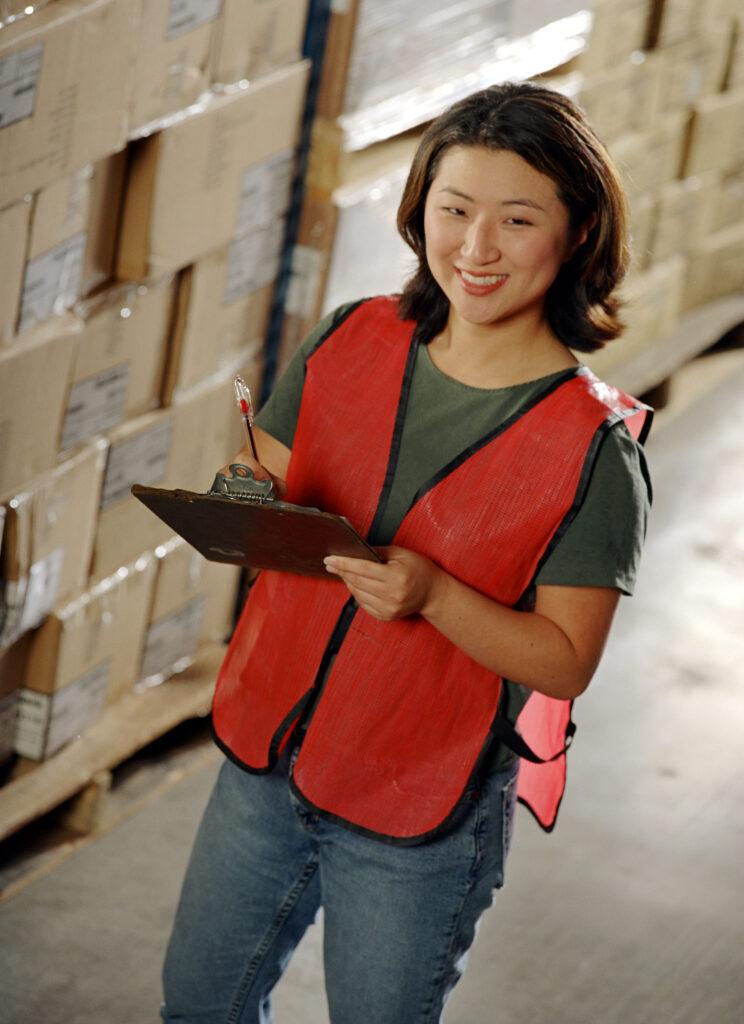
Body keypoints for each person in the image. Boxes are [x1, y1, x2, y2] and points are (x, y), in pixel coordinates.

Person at [160, 81, 652, 1023]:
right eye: (453, 209)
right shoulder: (352, 338)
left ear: (579, 233)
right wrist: (238, 499)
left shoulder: (595, 451)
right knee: (197, 1007)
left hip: (422, 810)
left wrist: (434, 595)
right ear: (419, 207)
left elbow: (564, 659)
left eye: (516, 220)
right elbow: (260, 467)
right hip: (269, 763)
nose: (474, 248)